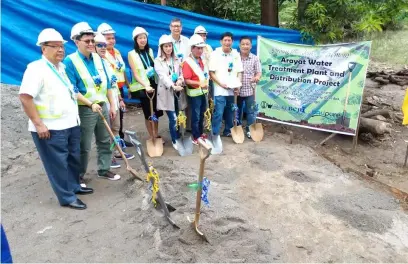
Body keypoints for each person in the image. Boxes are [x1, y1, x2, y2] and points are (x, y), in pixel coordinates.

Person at [19, 28, 94, 210]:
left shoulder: (61, 68)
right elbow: (25, 97)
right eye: (55, 46)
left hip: (70, 123)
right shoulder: (36, 69)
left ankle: (74, 186)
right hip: (50, 127)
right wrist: (38, 124)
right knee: (57, 163)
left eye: (62, 46)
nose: (60, 50)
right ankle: (67, 197)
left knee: (73, 158)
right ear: (43, 48)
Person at [64, 22, 121, 183]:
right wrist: (90, 104)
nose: (90, 44)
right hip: (85, 109)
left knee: (104, 140)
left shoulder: (98, 59)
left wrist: (112, 105)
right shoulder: (70, 62)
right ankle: (79, 175)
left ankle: (104, 169)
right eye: (86, 41)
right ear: (76, 41)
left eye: (92, 40)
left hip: (102, 106)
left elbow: (108, 84)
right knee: (84, 145)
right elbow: (72, 90)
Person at [94, 33, 135, 168]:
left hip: (113, 99)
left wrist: (119, 99)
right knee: (105, 131)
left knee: (116, 128)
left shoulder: (106, 62)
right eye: (99, 45)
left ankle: (118, 152)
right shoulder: (92, 64)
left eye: (104, 45)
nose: (103, 47)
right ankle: (107, 157)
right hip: (101, 101)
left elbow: (113, 83)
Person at [97, 23, 131, 145]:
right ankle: (111, 145)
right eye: (108, 38)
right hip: (109, 91)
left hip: (119, 88)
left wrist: (128, 86)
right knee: (112, 117)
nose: (111, 41)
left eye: (112, 38)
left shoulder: (116, 52)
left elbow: (122, 71)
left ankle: (119, 139)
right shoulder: (100, 55)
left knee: (119, 116)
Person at [128, 27, 164, 142]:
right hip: (143, 87)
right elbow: (135, 73)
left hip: (154, 84)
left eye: (144, 37)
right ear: (136, 40)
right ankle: (151, 136)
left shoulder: (150, 51)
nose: (143, 40)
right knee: (148, 113)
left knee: (156, 113)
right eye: (140, 38)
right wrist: (145, 85)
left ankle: (156, 134)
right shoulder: (131, 54)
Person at [155, 35, 186, 150]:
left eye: (170, 46)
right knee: (173, 117)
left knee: (179, 115)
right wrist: (173, 86)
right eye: (166, 46)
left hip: (178, 91)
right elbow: (163, 77)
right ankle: (175, 139)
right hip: (167, 92)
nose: (168, 48)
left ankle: (179, 135)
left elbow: (182, 72)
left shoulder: (177, 58)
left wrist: (180, 80)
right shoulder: (158, 61)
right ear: (161, 48)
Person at [209, 32, 243, 138]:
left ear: (232, 42)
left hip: (232, 89)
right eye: (225, 40)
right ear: (221, 41)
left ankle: (228, 130)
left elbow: (240, 72)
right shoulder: (215, 54)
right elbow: (211, 72)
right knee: (218, 111)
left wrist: (238, 86)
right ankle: (215, 132)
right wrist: (220, 84)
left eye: (229, 40)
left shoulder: (236, 55)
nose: (227, 42)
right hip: (219, 88)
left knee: (230, 110)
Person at [182, 34, 210, 145]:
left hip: (203, 92)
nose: (200, 50)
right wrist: (199, 83)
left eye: (201, 48)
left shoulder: (201, 60)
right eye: (198, 48)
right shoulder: (187, 62)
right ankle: (195, 136)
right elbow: (187, 80)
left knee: (202, 114)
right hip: (194, 94)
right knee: (196, 115)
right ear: (192, 48)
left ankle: (200, 133)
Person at [238, 36, 261, 139]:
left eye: (247, 44)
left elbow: (259, 72)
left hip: (250, 90)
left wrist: (256, 77)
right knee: (236, 111)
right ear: (239, 45)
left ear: (251, 46)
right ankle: (237, 128)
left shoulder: (255, 58)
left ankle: (249, 129)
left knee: (251, 112)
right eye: (243, 44)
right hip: (236, 90)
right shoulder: (235, 57)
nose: (245, 46)